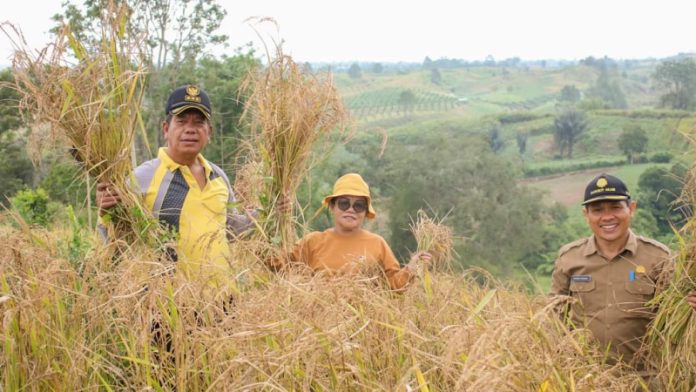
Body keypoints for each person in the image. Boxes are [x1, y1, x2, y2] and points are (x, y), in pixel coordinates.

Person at [97, 84, 254, 285]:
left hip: (222, 302)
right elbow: (115, 237)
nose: (190, 129)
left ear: (209, 132)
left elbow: (230, 228)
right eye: (181, 121)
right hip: (168, 306)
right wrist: (106, 210)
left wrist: (270, 212)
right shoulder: (143, 177)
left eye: (199, 123)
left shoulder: (218, 176)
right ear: (166, 129)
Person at [550, 173, 696, 371]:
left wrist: (690, 307)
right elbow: (552, 318)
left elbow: (674, 316)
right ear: (586, 214)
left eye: (616, 207)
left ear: (631, 209)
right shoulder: (569, 258)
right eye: (598, 210)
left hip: (643, 381)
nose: (607, 216)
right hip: (584, 379)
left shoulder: (659, 257)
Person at [282, 173, 430, 291]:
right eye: (344, 203)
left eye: (358, 205)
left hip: (361, 326)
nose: (351, 209)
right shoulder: (312, 241)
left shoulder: (377, 244)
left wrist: (411, 268)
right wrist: (273, 217)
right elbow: (278, 265)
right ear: (333, 207)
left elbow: (394, 285)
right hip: (317, 324)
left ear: (365, 212)